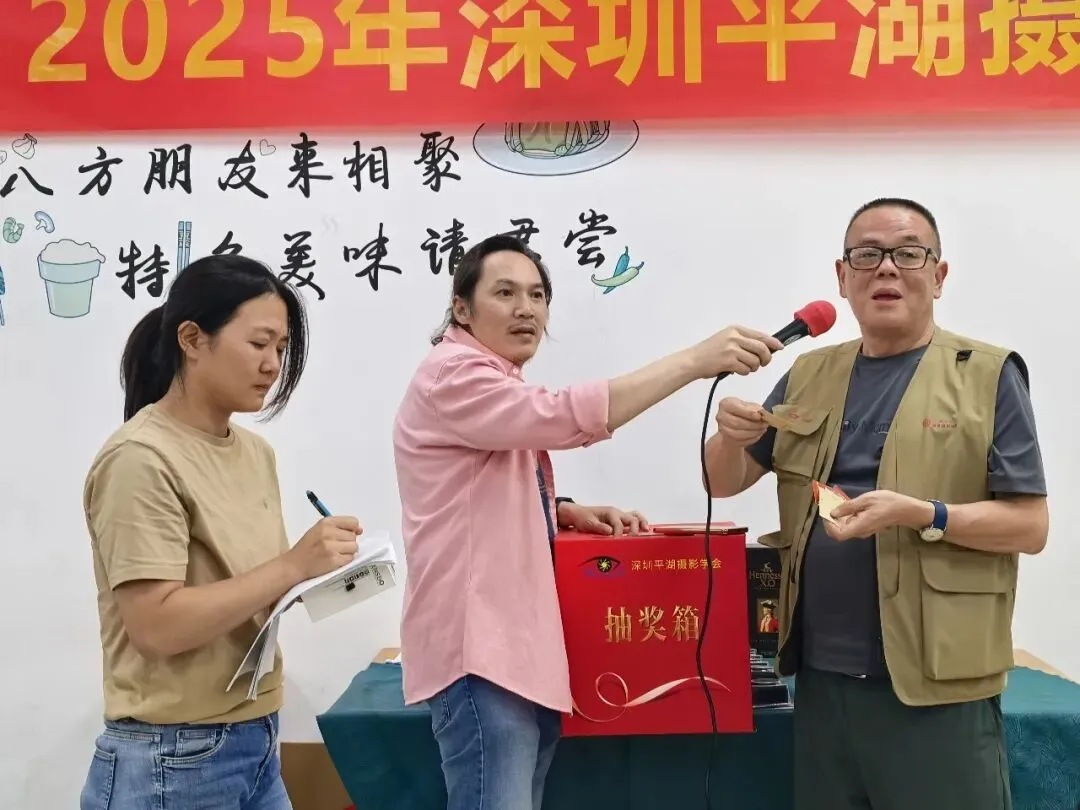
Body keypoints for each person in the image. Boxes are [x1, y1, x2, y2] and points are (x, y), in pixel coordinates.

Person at [392, 233, 785, 810]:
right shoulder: (454, 374)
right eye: (505, 293)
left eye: (537, 295)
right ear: (461, 308)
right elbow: (559, 417)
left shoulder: (489, 378)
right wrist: (693, 362)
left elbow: (474, 488)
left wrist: (560, 510)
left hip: (513, 652)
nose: (526, 309)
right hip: (480, 654)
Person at [703, 197, 1049, 810]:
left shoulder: (988, 375)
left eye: (908, 253)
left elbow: (1029, 526)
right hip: (820, 681)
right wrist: (729, 438)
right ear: (843, 277)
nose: (886, 268)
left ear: (938, 276)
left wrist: (924, 514)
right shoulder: (809, 373)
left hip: (935, 688)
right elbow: (722, 481)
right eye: (867, 255)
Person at [79, 255, 363, 810]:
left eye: (281, 348)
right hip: (172, 757)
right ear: (191, 339)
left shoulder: (255, 453)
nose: (272, 365)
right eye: (258, 344)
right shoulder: (141, 458)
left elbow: (246, 591)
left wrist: (320, 574)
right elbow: (156, 626)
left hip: (255, 740)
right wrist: (292, 565)